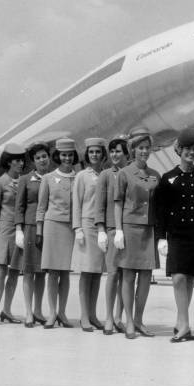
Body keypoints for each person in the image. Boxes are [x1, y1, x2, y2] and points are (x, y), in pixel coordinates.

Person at [156, 128, 194, 343]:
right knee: (178, 277)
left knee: (190, 279)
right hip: (177, 235)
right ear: (179, 150)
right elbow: (160, 210)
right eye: (187, 149)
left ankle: (182, 323)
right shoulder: (168, 179)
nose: (191, 153)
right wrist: (161, 237)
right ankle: (184, 323)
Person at [113, 131, 161, 339]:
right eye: (140, 148)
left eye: (147, 148)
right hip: (130, 228)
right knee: (128, 275)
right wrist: (118, 230)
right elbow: (118, 203)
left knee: (146, 277)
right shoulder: (124, 173)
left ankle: (139, 319)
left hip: (149, 229)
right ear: (133, 150)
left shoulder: (155, 175)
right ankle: (129, 321)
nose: (144, 151)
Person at [36, 138, 78, 329]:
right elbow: (41, 207)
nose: (67, 158)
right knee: (53, 272)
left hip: (71, 228)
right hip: (52, 226)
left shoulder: (79, 177)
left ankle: (62, 312)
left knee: (66, 272)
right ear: (58, 156)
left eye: (70, 155)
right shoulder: (48, 178)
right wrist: (39, 231)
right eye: (63, 155)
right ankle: (52, 313)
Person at [0, 143, 26, 325]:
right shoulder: (0, 182)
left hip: (21, 230)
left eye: (22, 161)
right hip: (4, 229)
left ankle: (7, 310)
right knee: (1, 270)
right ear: (9, 163)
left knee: (16, 270)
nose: (21, 164)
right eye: (17, 161)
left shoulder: (24, 181)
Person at [72, 137, 108, 332]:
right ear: (87, 154)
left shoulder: (106, 174)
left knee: (96, 273)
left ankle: (93, 314)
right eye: (92, 152)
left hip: (102, 227)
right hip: (86, 226)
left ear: (103, 155)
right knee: (86, 273)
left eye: (98, 152)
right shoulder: (82, 176)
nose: (95, 155)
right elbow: (76, 203)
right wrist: (77, 228)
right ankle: (84, 316)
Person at [94, 137, 128, 335]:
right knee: (113, 274)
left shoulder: (131, 173)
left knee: (126, 276)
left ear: (126, 153)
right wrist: (101, 230)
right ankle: (108, 316)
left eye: (118, 151)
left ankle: (118, 317)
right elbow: (100, 204)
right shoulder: (106, 175)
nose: (115, 155)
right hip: (112, 229)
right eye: (112, 151)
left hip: (129, 229)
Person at [14, 141, 50, 327]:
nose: (42, 160)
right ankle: (28, 312)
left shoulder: (53, 177)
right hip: (30, 227)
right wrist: (18, 229)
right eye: (38, 158)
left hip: (49, 228)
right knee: (28, 271)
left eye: (44, 156)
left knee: (42, 272)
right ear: (33, 161)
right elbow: (19, 206)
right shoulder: (25, 179)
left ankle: (38, 310)